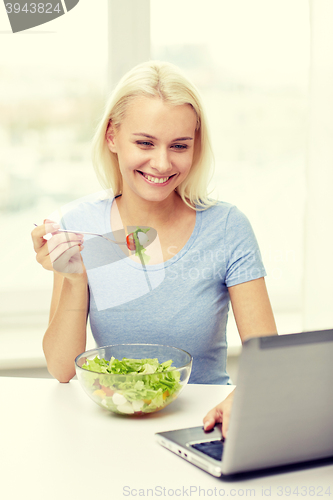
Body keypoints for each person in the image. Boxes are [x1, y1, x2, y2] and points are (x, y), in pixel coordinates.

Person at [31, 61, 277, 432]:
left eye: (179, 146)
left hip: (203, 427)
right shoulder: (80, 226)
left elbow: (268, 363)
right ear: (112, 137)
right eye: (144, 142)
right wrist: (76, 278)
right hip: (112, 427)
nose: (161, 163)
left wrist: (246, 395)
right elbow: (62, 369)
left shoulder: (226, 228)